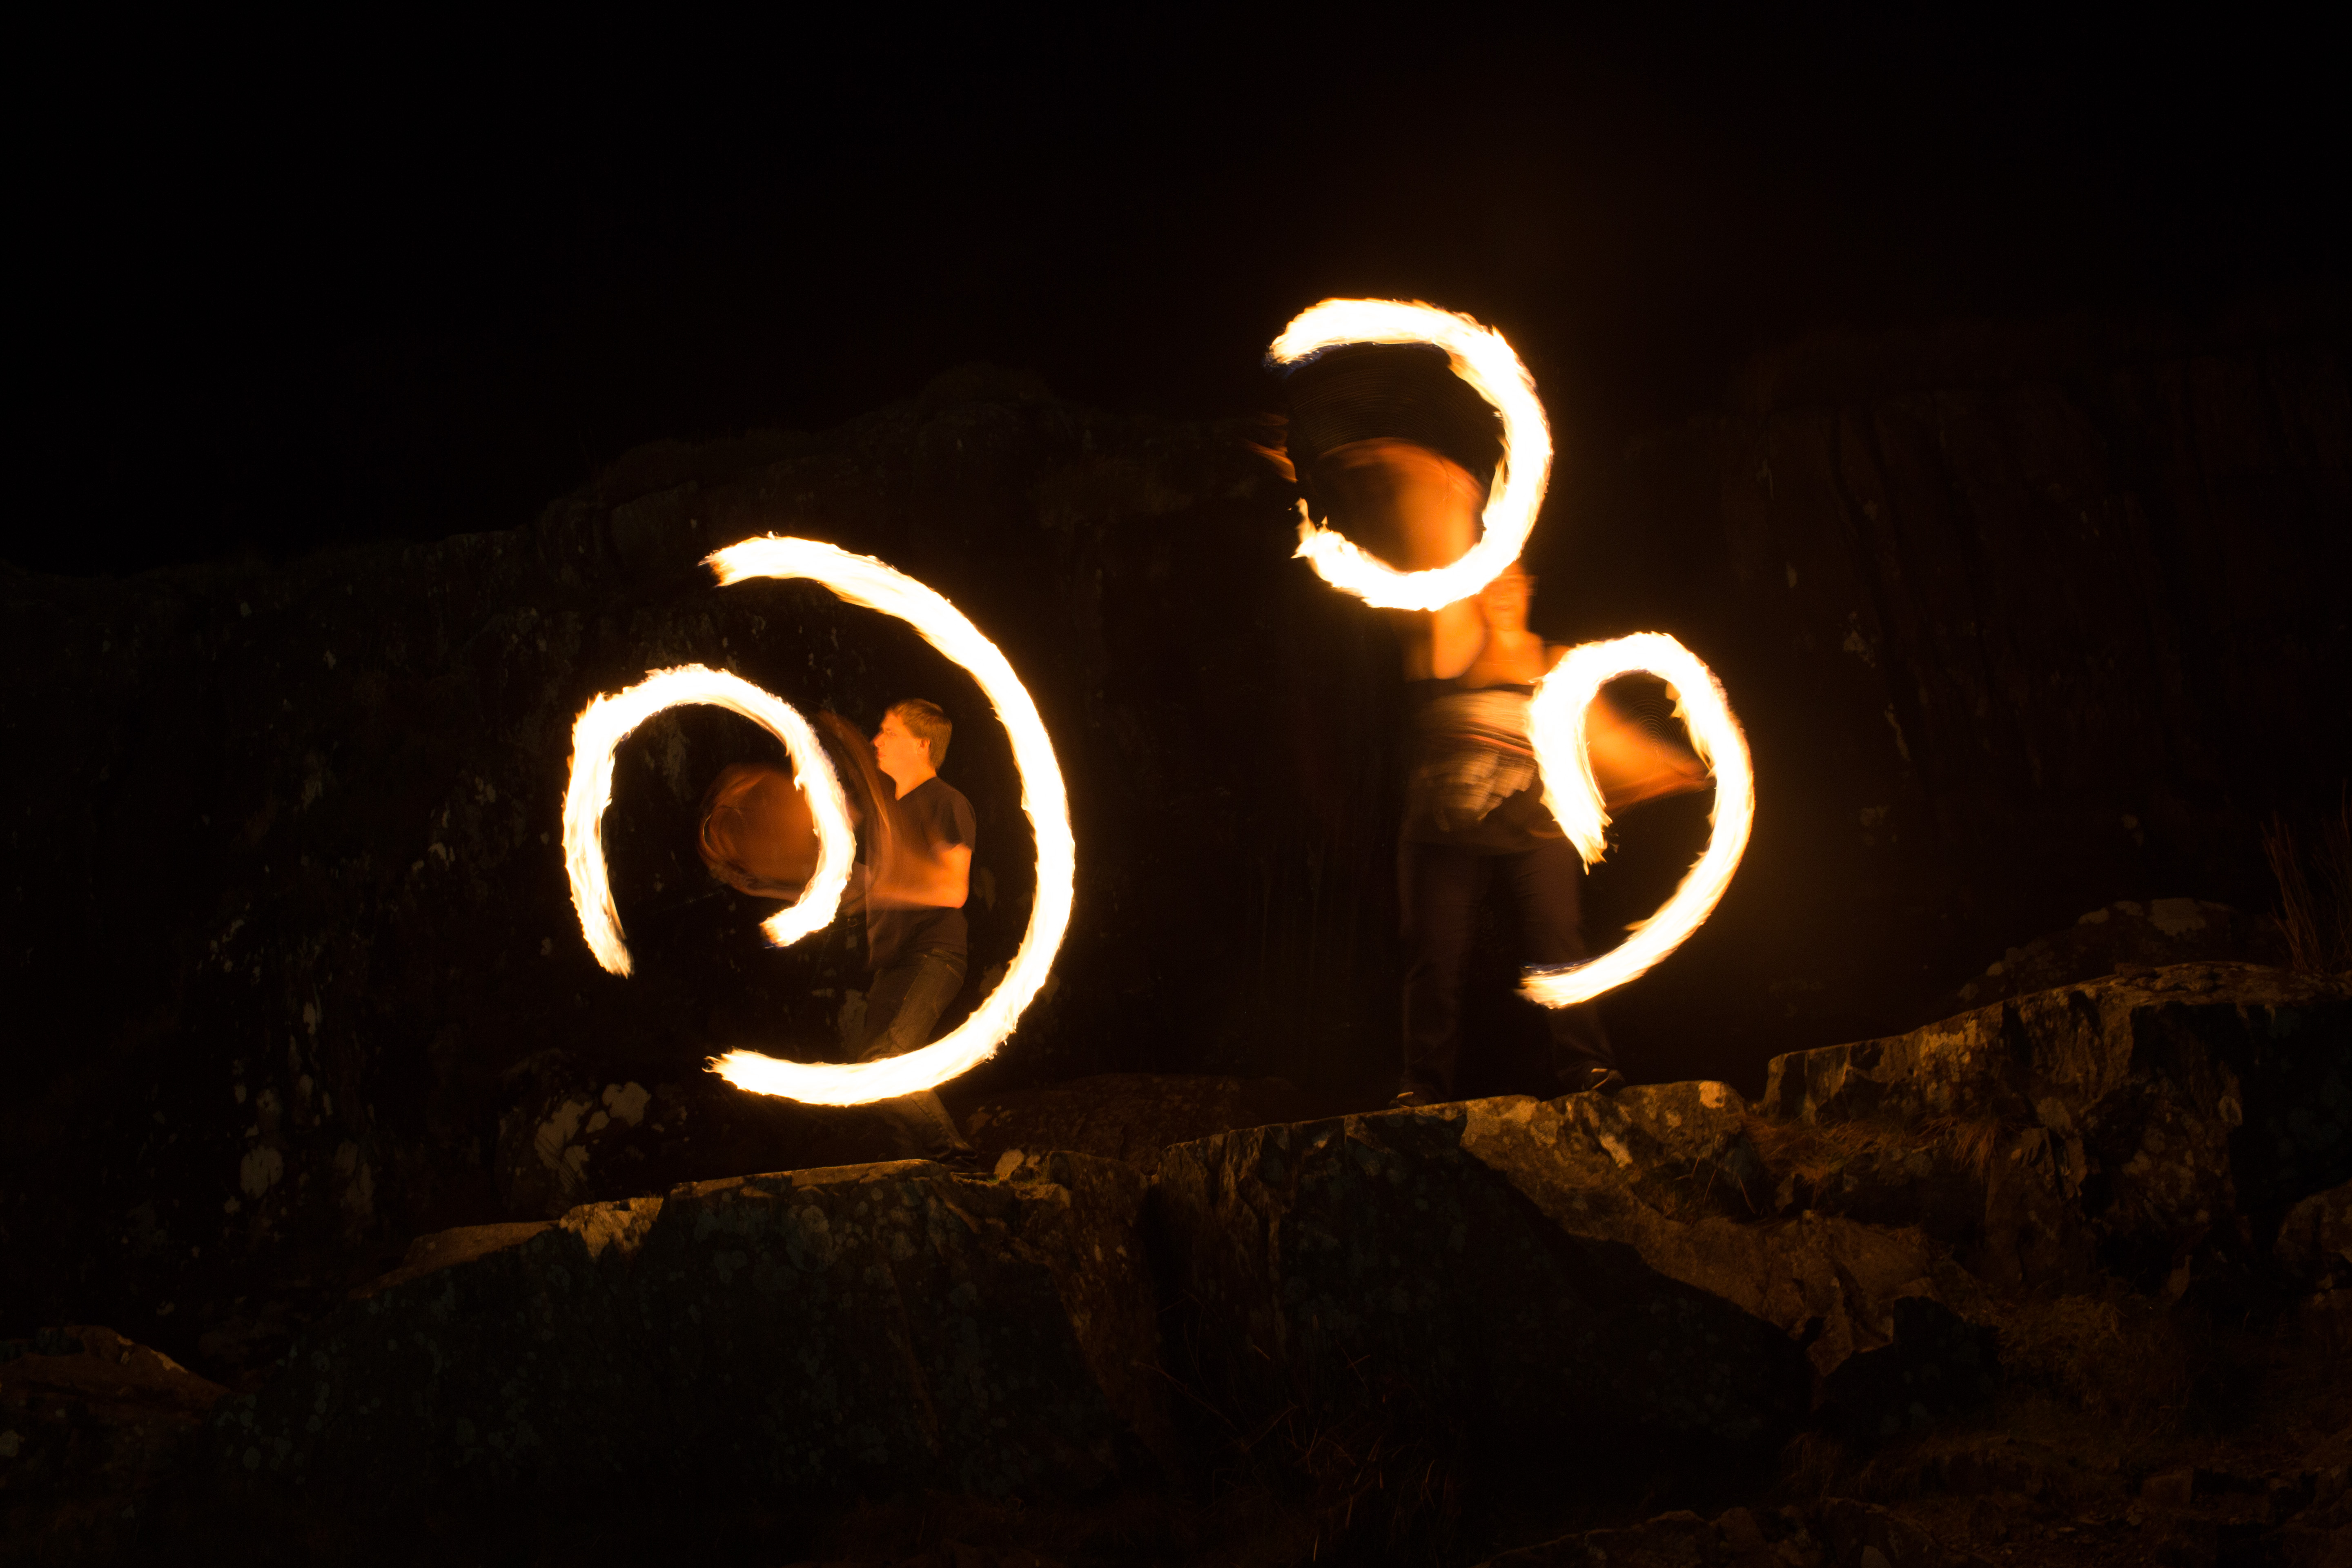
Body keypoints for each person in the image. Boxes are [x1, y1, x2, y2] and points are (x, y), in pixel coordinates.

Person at [1270, 343, 1707, 1105]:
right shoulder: (1451, 639)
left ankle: (1586, 1069)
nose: (1501, 588)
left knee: (1560, 944)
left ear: (1530, 589)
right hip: (1442, 826)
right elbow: (1431, 524)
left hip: (1533, 826)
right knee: (1434, 957)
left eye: (1513, 580)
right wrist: (1395, 464)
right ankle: (1423, 1085)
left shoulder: (1557, 663)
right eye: (1489, 578)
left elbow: (1606, 737)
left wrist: (1676, 765)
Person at [854, 699, 983, 1166]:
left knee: (886, 1062)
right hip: (893, 965)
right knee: (870, 1080)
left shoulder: (946, 802)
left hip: (932, 956)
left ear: (923, 744)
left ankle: (957, 1159)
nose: (876, 741)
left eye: (890, 732)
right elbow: (868, 887)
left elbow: (954, 889)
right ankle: (912, 1178)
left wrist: (888, 883)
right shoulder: (888, 816)